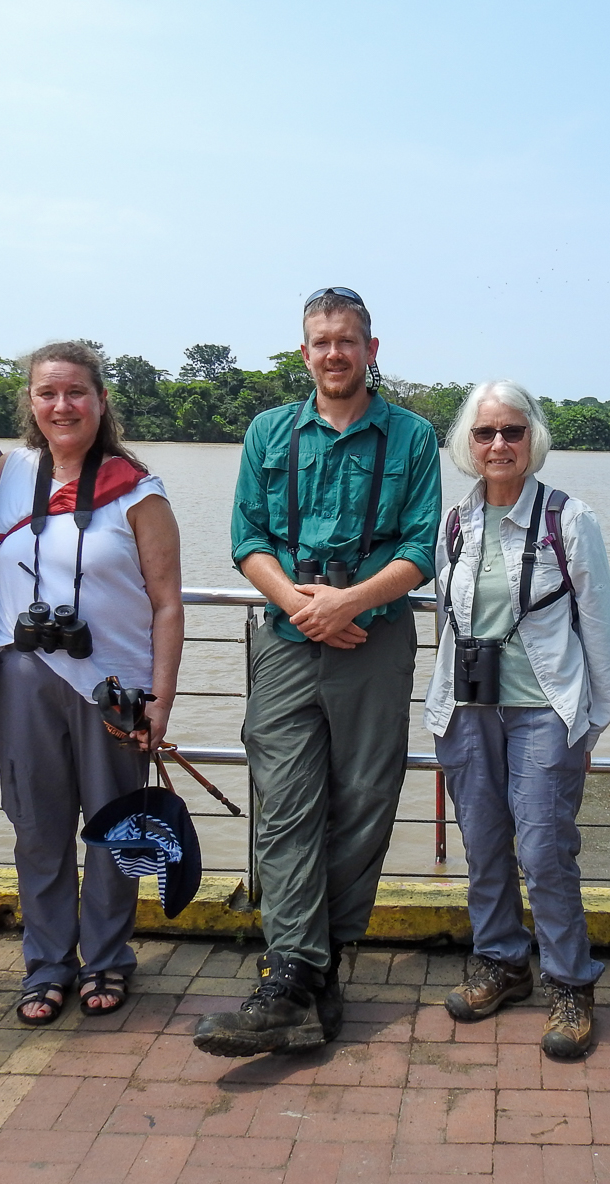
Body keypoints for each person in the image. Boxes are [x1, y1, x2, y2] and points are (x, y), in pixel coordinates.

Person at [195, 287, 441, 1057]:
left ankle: (312, 968)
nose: (334, 353)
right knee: (286, 804)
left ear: (372, 349)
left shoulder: (412, 437)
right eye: (320, 341)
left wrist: (350, 605)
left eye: (347, 340)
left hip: (375, 639)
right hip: (287, 636)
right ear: (303, 352)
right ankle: (300, 971)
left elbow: (421, 545)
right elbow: (247, 538)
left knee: (366, 801)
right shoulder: (270, 432)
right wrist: (305, 609)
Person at [0, 342, 183, 1026]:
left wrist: (160, 696)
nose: (62, 406)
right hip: (20, 674)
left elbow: (166, 603)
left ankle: (105, 958)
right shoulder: (7, 474)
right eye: (47, 394)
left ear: (101, 402)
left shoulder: (139, 488)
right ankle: (45, 963)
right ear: (31, 404)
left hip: (110, 685)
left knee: (111, 824)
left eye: (76, 393)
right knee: (36, 825)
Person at [424, 381, 610, 1059]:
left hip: (544, 711)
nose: (499, 445)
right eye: (485, 434)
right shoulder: (454, 521)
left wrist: (591, 724)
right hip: (468, 708)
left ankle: (571, 982)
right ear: (467, 445)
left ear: (532, 437)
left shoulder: (570, 520)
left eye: (511, 431)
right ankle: (502, 961)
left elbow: (599, 633)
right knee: (483, 844)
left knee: (543, 850)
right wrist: (437, 710)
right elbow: (449, 624)